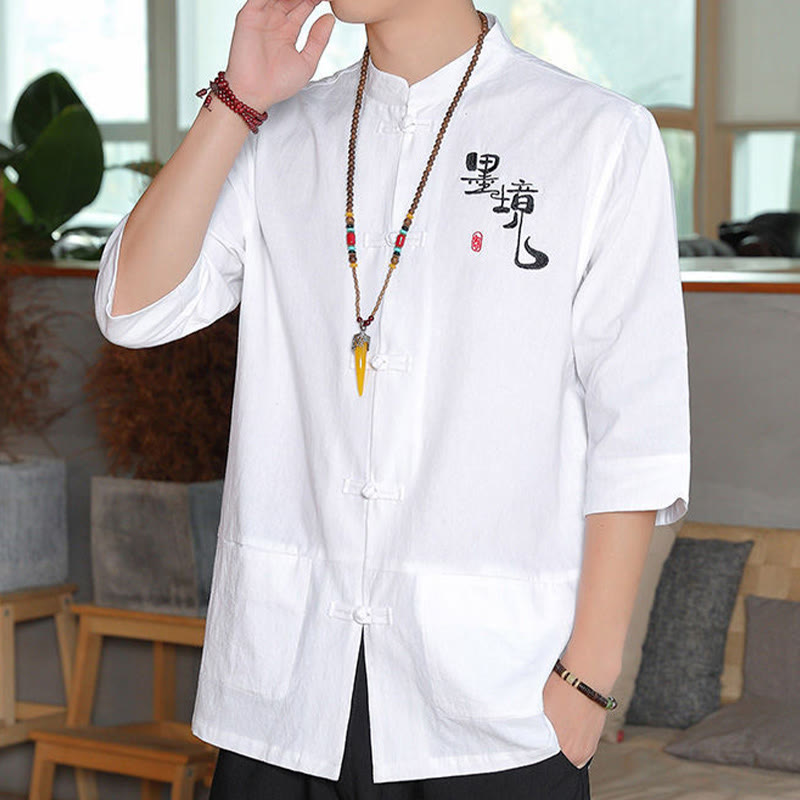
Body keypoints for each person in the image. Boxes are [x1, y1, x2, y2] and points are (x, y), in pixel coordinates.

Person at [93, 1, 691, 798]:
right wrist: (236, 100)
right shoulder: (279, 127)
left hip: (492, 702)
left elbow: (636, 430)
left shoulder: (596, 135)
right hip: (286, 693)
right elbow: (132, 309)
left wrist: (589, 675)